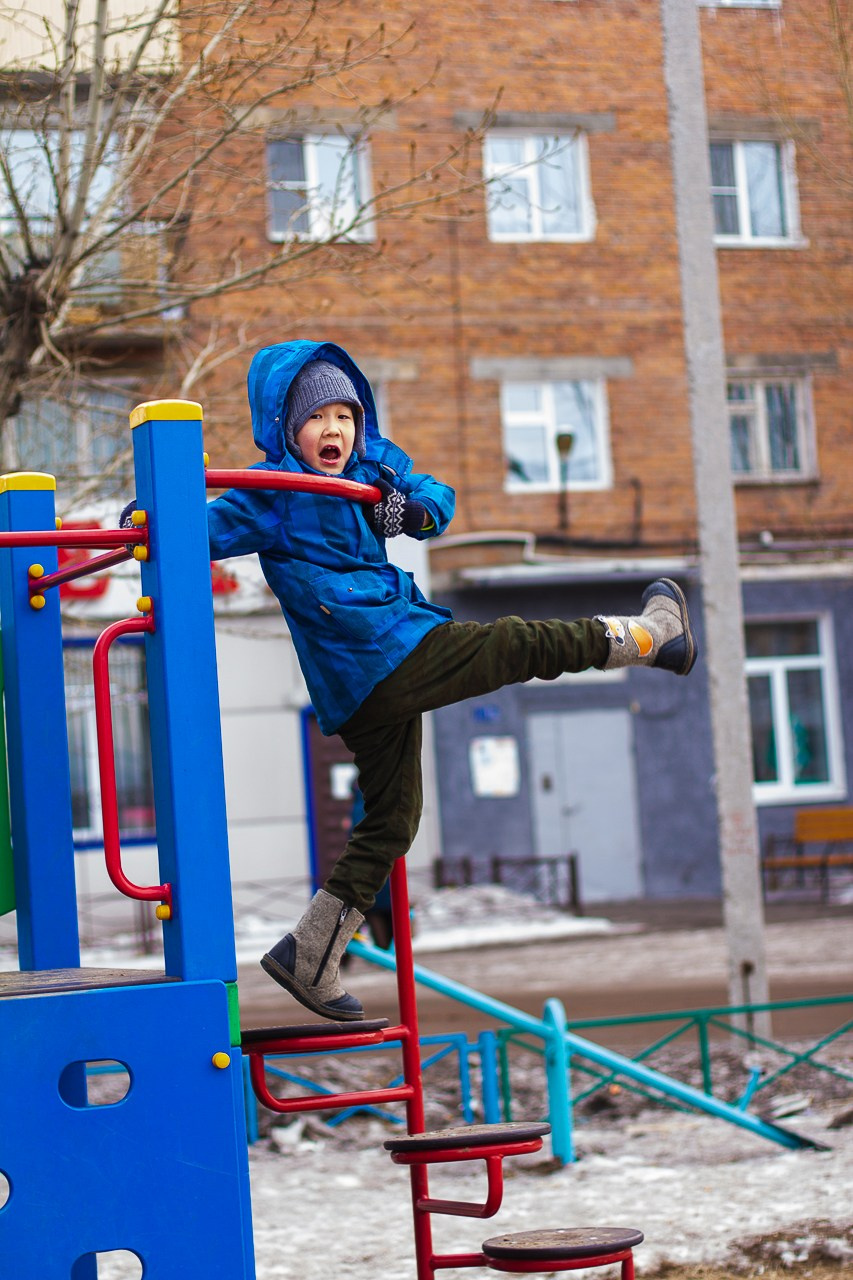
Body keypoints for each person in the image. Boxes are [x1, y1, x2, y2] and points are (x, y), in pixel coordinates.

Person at [201, 340, 698, 1023]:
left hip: (376, 669)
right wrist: (144, 519)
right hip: (376, 653)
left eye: (345, 417)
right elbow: (196, 527)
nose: (334, 431)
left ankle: (309, 955)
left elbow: (435, 495)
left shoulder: (370, 466)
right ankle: (644, 638)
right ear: (287, 427)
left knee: (392, 820)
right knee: (516, 644)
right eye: (317, 420)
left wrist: (402, 508)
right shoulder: (273, 497)